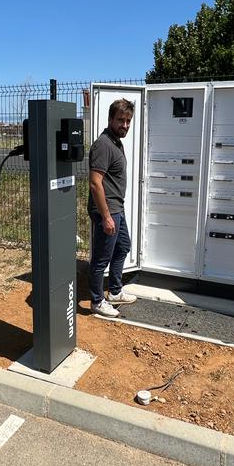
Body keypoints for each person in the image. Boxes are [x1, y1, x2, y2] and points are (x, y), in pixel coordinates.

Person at [88, 98, 138, 318]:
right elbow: (94, 182)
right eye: (120, 120)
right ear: (110, 119)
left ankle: (115, 291)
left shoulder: (116, 142)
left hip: (117, 208)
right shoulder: (104, 144)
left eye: (128, 121)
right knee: (101, 258)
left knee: (123, 246)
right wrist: (106, 217)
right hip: (107, 211)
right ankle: (97, 301)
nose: (125, 125)